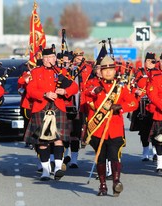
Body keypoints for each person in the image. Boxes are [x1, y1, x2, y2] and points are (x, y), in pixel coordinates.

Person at [24, 46, 78, 181]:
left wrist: (65, 92)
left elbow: (74, 87)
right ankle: (46, 171)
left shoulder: (63, 72)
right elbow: (30, 90)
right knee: (43, 142)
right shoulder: (35, 72)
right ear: (42, 59)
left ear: (55, 58)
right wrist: (44, 94)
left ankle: (58, 168)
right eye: (46, 58)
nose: (49, 60)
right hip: (41, 108)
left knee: (58, 140)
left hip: (58, 107)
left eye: (51, 57)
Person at [86, 56, 138, 196]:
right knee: (101, 158)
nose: (108, 72)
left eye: (111, 69)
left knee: (114, 156)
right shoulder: (93, 84)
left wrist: (120, 107)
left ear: (115, 71)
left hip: (114, 129)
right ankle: (103, 185)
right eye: (105, 70)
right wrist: (93, 93)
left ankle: (116, 182)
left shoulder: (120, 87)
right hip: (99, 129)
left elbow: (134, 103)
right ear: (100, 72)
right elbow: (86, 97)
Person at [66, 48, 93, 168]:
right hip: (67, 103)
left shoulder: (88, 68)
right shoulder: (67, 69)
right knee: (66, 132)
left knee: (76, 131)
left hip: (80, 103)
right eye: (76, 57)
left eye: (80, 57)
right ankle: (65, 155)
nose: (79, 59)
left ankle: (74, 159)